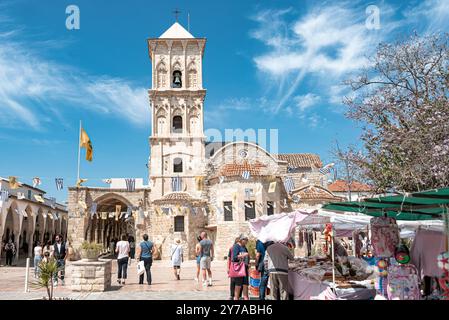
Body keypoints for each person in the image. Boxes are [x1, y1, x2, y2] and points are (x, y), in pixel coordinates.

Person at [232, 235, 250, 300]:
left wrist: (248, 263)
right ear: (242, 240)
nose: (247, 242)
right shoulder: (236, 246)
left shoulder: (244, 247)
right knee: (238, 285)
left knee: (245, 285)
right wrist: (244, 255)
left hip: (245, 268)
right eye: (246, 240)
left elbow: (247, 256)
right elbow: (234, 257)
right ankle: (236, 298)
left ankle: (246, 297)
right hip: (239, 269)